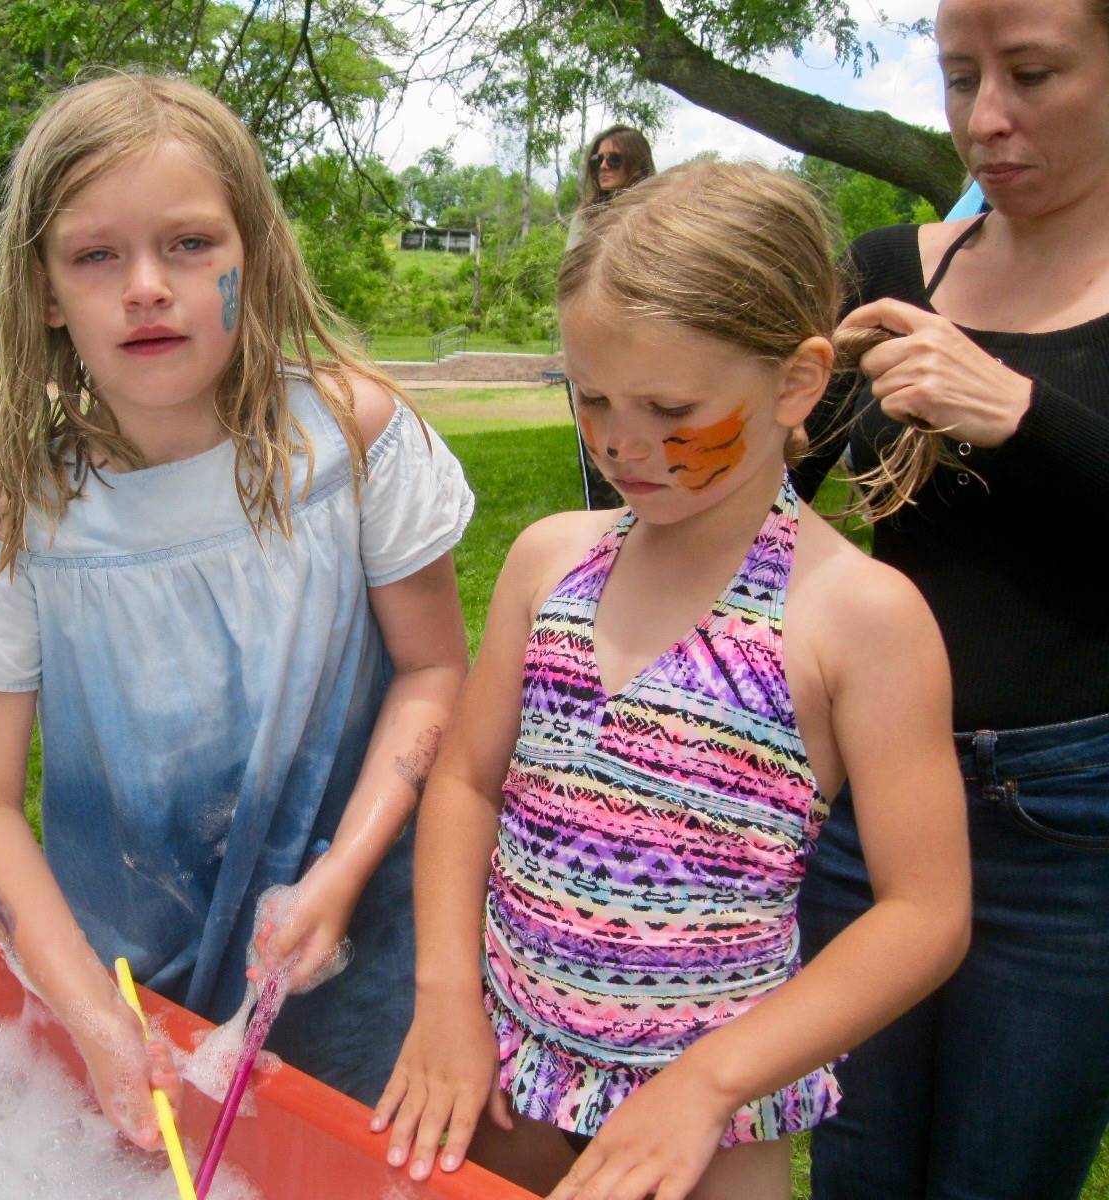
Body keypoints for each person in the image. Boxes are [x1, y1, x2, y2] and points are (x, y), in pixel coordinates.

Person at [370, 161, 971, 1200]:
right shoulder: (549, 560)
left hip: (706, 1127)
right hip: (507, 1078)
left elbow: (923, 913)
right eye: (592, 396)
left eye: (669, 406)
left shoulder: (857, 617)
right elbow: (467, 782)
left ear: (795, 381)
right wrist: (443, 999)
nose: (621, 442)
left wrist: (706, 1084)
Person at [0, 73, 474, 1151]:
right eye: (95, 256)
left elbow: (433, 672)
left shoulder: (350, 440)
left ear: (249, 256)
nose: (144, 288)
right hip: (129, 982)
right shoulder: (22, 521)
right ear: (42, 289)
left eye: (187, 245)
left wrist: (339, 872)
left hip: (362, 955)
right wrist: (91, 1015)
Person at [792, 1, 1109, 1196]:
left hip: (1072, 829)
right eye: (959, 76)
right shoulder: (890, 271)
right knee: (858, 1163)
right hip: (872, 797)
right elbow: (748, 499)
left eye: (1031, 74)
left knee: (1000, 1173)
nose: (986, 120)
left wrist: (1019, 415)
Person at [566, 126, 656, 512]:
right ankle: (602, 527)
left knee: (643, 444)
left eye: (614, 159)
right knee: (596, 449)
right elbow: (570, 286)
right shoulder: (584, 220)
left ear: (636, 163)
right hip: (591, 350)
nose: (603, 166)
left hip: (641, 349)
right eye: (597, 159)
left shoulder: (657, 212)